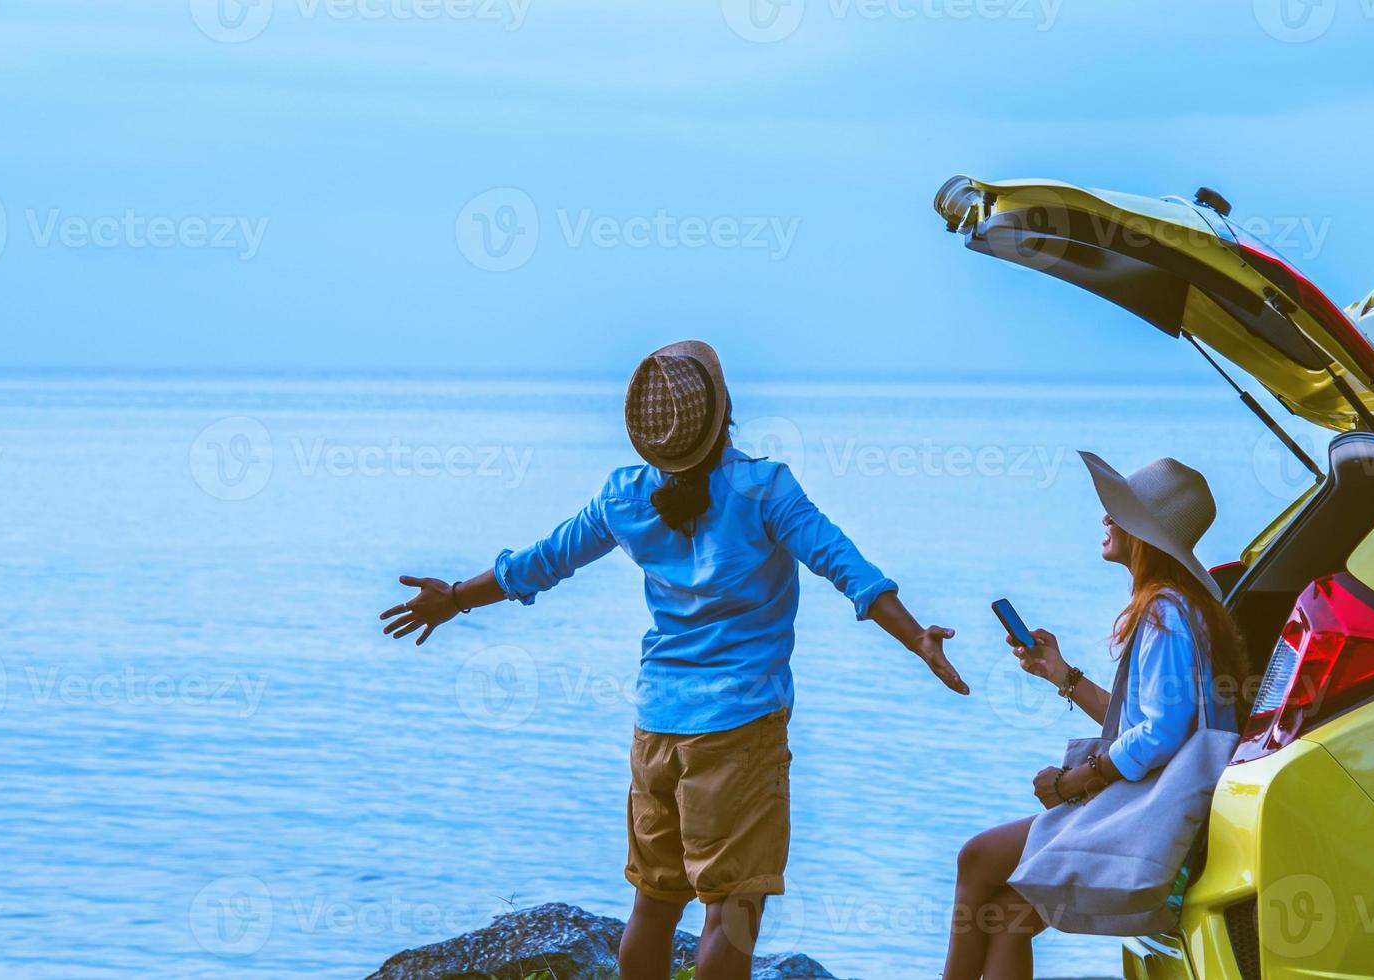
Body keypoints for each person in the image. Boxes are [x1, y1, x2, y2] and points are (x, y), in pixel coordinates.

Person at [381, 340, 970, 980]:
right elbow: (845, 565)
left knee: (654, 906)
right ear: (726, 412)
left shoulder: (624, 496)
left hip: (656, 728)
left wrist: (457, 600)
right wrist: (915, 638)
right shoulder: (763, 489)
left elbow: (542, 561)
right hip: (738, 730)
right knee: (730, 910)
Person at [941, 453, 1247, 980]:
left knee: (976, 859)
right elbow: (1147, 722)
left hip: (1150, 814)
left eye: (1120, 511)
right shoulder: (1187, 606)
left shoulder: (1163, 611)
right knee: (1007, 915)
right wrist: (1059, 673)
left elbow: (1163, 731)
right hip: (1168, 806)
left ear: (1147, 533)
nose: (1106, 518)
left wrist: (1076, 781)